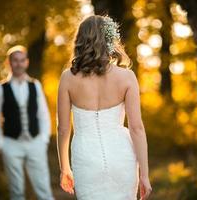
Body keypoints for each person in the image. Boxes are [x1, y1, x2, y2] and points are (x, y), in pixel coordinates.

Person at [56, 15, 152, 200]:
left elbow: (63, 129)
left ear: (80, 41)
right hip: (122, 155)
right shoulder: (127, 77)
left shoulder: (68, 78)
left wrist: (64, 168)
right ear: (110, 41)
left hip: (85, 157)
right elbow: (136, 128)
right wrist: (144, 175)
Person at [0, 45, 55, 200]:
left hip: (35, 142)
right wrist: (1, 144)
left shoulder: (35, 85)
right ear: (8, 63)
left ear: (27, 62)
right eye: (15, 60)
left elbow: (43, 114)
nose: (19, 64)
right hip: (11, 143)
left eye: (22, 60)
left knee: (43, 188)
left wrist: (43, 139)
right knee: (16, 190)